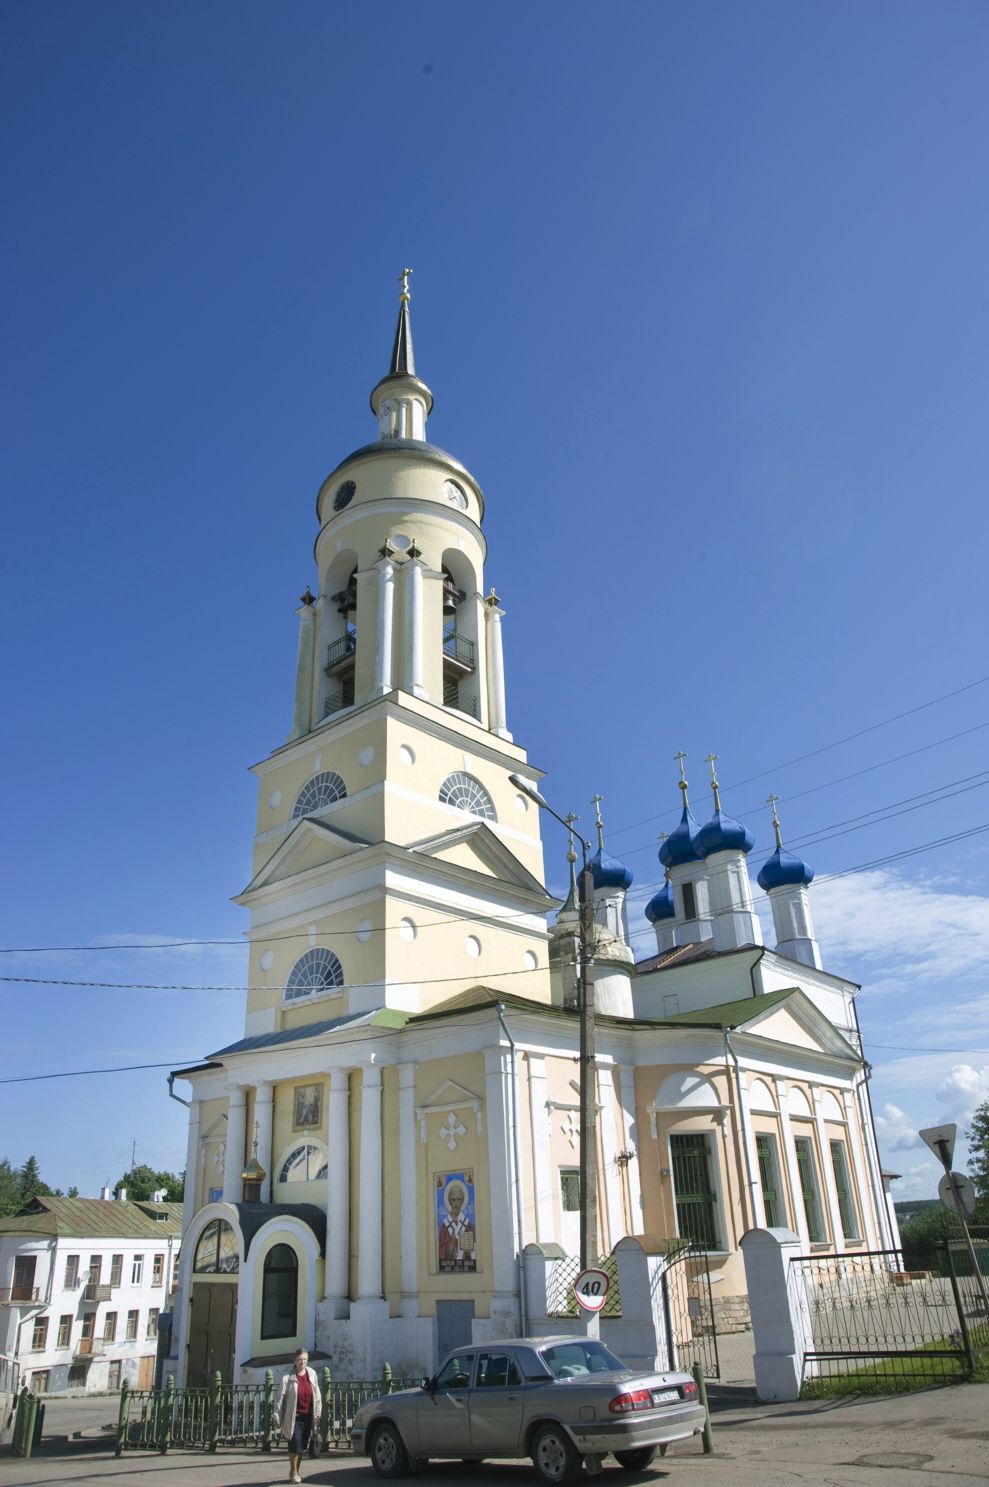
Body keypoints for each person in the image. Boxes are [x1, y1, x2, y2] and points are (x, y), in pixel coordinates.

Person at [275, 1347, 322, 1484]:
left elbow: (317, 1394)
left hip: (308, 1415)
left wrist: (318, 1411)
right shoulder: (287, 1379)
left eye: (305, 1359)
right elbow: (279, 1398)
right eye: (300, 1359)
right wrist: (277, 1414)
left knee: (302, 1445)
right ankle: (294, 1471)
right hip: (294, 1416)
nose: (303, 1362)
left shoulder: (312, 1374)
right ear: (295, 1361)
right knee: (294, 1443)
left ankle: (295, 1471)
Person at [438, 1178, 476, 1271]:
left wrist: (468, 1248)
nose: (456, 1204)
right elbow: (441, 1251)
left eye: (458, 1199)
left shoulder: (468, 1225)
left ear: (463, 1201)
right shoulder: (444, 1225)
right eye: (453, 1200)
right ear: (449, 1201)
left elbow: (473, 1250)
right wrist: (451, 1244)